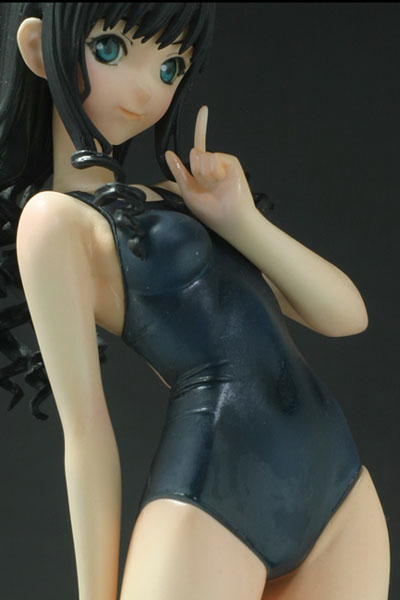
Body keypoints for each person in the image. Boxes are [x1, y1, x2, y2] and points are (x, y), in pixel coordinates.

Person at [0, 3, 391, 599]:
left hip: (340, 490)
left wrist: (240, 220)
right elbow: (87, 433)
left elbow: (346, 316)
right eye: (111, 50)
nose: (146, 91)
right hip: (212, 494)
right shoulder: (55, 222)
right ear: (37, 50)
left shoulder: (181, 193)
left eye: (170, 66)